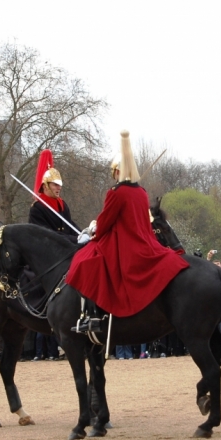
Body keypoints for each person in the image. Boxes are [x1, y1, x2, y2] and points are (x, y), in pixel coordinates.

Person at [66, 131, 189, 330]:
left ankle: (93, 316)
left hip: (121, 243)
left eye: (115, 172)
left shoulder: (116, 192)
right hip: (145, 241)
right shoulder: (141, 192)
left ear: (117, 172)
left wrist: (94, 231)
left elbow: (106, 222)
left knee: (83, 261)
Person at [28, 149, 81, 242]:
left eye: (59, 185)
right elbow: (48, 236)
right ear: (45, 186)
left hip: (66, 248)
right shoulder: (37, 209)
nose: (59, 188)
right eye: (55, 185)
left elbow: (69, 225)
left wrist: (82, 234)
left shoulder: (62, 205)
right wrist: (76, 239)